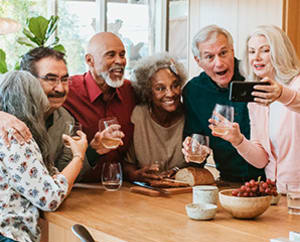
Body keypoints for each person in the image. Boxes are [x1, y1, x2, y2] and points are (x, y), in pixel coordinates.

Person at [0, 70, 87, 242]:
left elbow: (40, 180)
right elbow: (49, 198)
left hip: (10, 237)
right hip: (3, 241)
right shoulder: (17, 137)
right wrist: (78, 157)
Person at [209, 25, 300, 193]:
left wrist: (281, 93)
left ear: (279, 52)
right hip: (277, 193)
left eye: (264, 50)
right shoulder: (257, 98)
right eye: (251, 52)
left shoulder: (296, 84)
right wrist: (238, 140)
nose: (256, 58)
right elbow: (261, 160)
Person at [20, 47, 123, 180]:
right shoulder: (8, 117)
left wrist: (94, 150)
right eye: (51, 79)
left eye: (64, 80)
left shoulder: (66, 120)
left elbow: (65, 173)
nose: (60, 88)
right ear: (27, 81)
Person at [182, 24, 265, 184]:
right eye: (209, 57)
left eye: (223, 53)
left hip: (269, 179)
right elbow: (197, 142)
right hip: (228, 181)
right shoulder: (193, 91)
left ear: (232, 51)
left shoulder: (255, 76)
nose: (219, 63)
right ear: (198, 61)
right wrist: (193, 151)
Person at [64, 32, 136, 182]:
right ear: (90, 60)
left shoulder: (131, 91)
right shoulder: (67, 90)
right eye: (111, 55)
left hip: (121, 188)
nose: (120, 61)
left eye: (122, 55)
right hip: (79, 188)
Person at [124, 52, 187, 182]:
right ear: (148, 92)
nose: (170, 93)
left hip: (181, 192)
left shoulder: (190, 114)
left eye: (175, 85)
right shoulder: (138, 116)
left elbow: (198, 164)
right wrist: (136, 175)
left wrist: (180, 173)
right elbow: (127, 164)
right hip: (145, 194)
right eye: (160, 88)